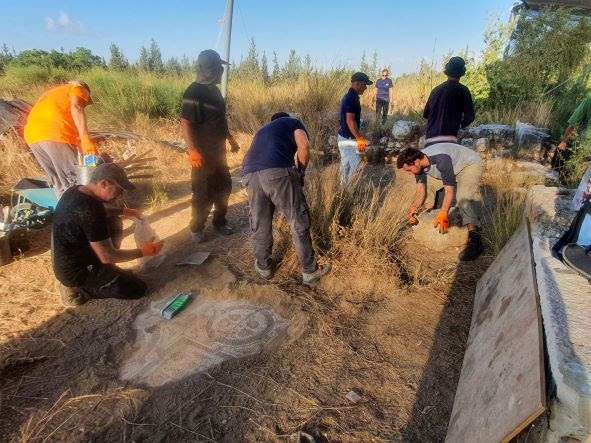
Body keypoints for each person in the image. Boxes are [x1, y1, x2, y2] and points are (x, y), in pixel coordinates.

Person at [52, 163, 163, 306]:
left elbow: (90, 216)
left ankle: (107, 273)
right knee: (137, 289)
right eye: (118, 190)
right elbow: (108, 257)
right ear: (104, 183)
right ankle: (78, 291)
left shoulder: (76, 191)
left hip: (74, 255)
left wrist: (124, 212)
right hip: (77, 273)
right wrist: (144, 251)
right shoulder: (90, 210)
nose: (120, 195)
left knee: (114, 222)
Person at [242, 112, 330, 285]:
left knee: (260, 222)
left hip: (249, 175)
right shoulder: (293, 122)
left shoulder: (262, 131)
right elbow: (303, 147)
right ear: (285, 118)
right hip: (276, 172)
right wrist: (301, 172)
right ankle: (310, 271)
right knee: (297, 219)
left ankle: (263, 267)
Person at [181, 49, 241, 243]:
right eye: (219, 68)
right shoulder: (193, 92)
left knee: (224, 188)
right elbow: (185, 123)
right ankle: (196, 228)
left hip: (219, 153)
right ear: (210, 69)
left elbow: (219, 119)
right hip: (202, 156)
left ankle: (220, 222)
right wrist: (192, 151)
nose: (222, 71)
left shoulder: (214, 91)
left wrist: (230, 138)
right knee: (202, 193)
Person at [396, 144, 484, 261]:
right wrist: (414, 207)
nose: (410, 173)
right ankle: (423, 220)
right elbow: (421, 190)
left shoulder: (442, 159)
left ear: (416, 162)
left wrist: (444, 212)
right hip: (450, 167)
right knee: (428, 189)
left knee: (463, 197)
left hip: (469, 165)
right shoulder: (419, 165)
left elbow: (449, 191)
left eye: (409, 169)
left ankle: (475, 240)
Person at [24, 81, 100, 198]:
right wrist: (86, 139)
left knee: (59, 183)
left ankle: (64, 212)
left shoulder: (51, 94)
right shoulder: (77, 88)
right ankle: (83, 212)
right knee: (75, 179)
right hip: (54, 133)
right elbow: (76, 107)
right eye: (86, 101)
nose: (85, 104)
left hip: (33, 137)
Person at [423, 57, 475, 147]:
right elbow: (469, 117)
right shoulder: (463, 90)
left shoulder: (435, 90)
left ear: (447, 71)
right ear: (462, 73)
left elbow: (426, 114)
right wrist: (459, 125)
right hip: (449, 139)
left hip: (430, 139)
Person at [337, 72, 373, 184]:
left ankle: (344, 192)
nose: (366, 88)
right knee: (357, 167)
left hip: (344, 137)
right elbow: (350, 120)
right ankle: (350, 192)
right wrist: (359, 139)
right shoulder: (352, 98)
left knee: (346, 166)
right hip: (348, 139)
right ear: (357, 83)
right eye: (365, 84)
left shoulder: (348, 96)